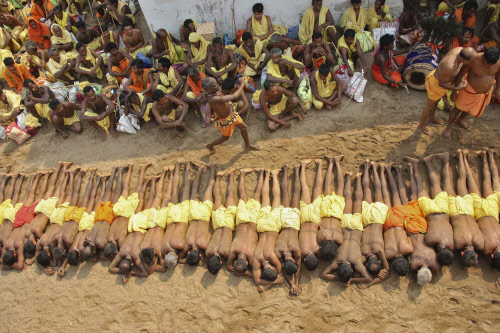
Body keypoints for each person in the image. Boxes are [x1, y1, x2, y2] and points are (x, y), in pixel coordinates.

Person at [321, 172, 386, 287]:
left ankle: (358, 177)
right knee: (349, 199)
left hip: (356, 227)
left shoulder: (357, 263)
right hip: (345, 225)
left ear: (351, 271)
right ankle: (348, 177)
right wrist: (342, 278)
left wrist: (350, 280)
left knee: (357, 200)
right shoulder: (338, 260)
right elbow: (324, 274)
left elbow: (367, 278)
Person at [443, 47, 500, 139]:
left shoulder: (497, 62)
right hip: (468, 90)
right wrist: (455, 90)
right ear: (483, 57)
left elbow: (498, 74)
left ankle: (460, 120)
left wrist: (497, 88)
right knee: (457, 109)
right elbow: (460, 74)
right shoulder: (474, 60)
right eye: (487, 62)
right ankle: (449, 128)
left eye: (491, 64)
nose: (489, 65)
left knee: (471, 109)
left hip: (482, 94)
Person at [410, 154, 455, 266]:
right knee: (420, 186)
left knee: (434, 183)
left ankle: (428, 162)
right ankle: (415, 165)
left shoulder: (452, 243)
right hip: (429, 210)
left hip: (443, 210)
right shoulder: (431, 241)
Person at [418, 47, 475, 135]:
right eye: (470, 61)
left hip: (442, 81)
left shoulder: (460, 50)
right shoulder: (449, 65)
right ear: (463, 59)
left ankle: (431, 117)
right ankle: (421, 125)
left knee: (435, 102)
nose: (471, 63)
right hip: (437, 84)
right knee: (429, 105)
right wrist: (457, 89)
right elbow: (441, 83)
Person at [108, 170, 152, 283]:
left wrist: (130, 272)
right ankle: (130, 169)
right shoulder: (122, 250)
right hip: (121, 214)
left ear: (132, 263)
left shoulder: (136, 257)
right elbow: (111, 268)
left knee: (142, 199)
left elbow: (145, 273)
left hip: (137, 226)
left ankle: (147, 182)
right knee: (125, 189)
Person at [447, 150, 486, 267]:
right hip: (456, 212)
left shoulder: (480, 243)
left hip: (469, 211)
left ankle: (461, 156)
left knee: (462, 182)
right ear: (462, 253)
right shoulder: (458, 244)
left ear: (476, 254)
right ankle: (454, 159)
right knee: (448, 183)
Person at [202, 76, 260, 154]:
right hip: (225, 119)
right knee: (225, 138)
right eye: (215, 85)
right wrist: (242, 84)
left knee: (244, 128)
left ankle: (248, 145)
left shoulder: (213, 91)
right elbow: (234, 96)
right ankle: (210, 145)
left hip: (231, 113)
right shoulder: (213, 99)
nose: (218, 86)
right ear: (209, 89)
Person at [405, 160, 440, 286]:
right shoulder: (415, 264)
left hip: (421, 226)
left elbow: (436, 269)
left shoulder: (433, 262)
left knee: (414, 197)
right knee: (408, 199)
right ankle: (410, 170)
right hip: (412, 228)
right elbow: (411, 270)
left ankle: (411, 170)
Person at [249, 169, 285, 292]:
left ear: (273, 269)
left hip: (272, 227)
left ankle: (274, 175)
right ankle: (266, 175)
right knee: (265, 198)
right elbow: (258, 280)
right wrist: (265, 286)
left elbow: (280, 277)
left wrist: (269, 284)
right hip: (262, 227)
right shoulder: (256, 260)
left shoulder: (272, 257)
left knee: (276, 198)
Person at [30, 170, 72, 274]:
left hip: (58, 220)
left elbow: (57, 259)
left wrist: (45, 269)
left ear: (49, 255)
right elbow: (36, 257)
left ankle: (69, 175)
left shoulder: (52, 244)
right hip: (53, 219)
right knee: (60, 193)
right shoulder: (40, 242)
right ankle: (66, 174)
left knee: (66, 195)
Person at [227, 168, 263, 276]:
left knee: (257, 194)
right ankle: (242, 174)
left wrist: (244, 273)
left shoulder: (250, 255)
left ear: (247, 262)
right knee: (242, 195)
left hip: (252, 220)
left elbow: (256, 274)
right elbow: (229, 266)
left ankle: (261, 174)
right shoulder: (234, 251)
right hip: (241, 220)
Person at [103, 164, 141, 260]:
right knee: (125, 188)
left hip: (126, 213)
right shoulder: (109, 238)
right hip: (118, 211)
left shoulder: (120, 241)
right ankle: (125, 170)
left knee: (138, 190)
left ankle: (142, 171)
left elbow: (122, 251)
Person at [180, 163, 215, 267]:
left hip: (203, 217)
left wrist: (200, 260)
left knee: (209, 189)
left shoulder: (204, 244)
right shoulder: (187, 244)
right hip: (193, 215)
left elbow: (209, 236)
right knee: (195, 190)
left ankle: (212, 169)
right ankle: (200, 170)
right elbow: (179, 259)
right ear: (188, 253)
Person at [51, 169, 88, 266]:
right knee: (73, 194)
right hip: (67, 217)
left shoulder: (68, 241)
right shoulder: (54, 238)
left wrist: (61, 266)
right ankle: (77, 175)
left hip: (76, 219)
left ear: (63, 250)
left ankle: (86, 178)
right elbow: (52, 247)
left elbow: (71, 251)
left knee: (86, 197)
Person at [159, 161, 192, 269]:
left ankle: (187, 167)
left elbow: (186, 252)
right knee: (174, 190)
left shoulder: (180, 246)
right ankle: (177, 166)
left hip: (181, 219)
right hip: (171, 218)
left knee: (186, 189)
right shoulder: (163, 248)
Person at [360, 161, 390, 281]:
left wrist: (375, 278)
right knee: (367, 190)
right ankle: (367, 167)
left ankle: (372, 167)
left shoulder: (379, 252)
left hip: (377, 219)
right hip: (367, 220)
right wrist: (370, 281)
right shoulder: (363, 252)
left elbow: (386, 269)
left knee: (377, 191)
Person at [274, 165, 302, 295]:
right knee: (286, 193)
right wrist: (293, 283)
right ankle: (288, 171)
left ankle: (292, 170)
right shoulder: (278, 251)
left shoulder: (295, 251)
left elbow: (297, 267)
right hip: (285, 222)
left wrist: (294, 283)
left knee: (294, 193)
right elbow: (285, 269)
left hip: (293, 223)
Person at [382, 163, 413, 277]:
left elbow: (409, 238)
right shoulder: (388, 254)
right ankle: (383, 173)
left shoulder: (408, 249)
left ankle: (393, 171)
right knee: (385, 195)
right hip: (388, 224)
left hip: (399, 222)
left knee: (395, 193)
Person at [82, 168, 120, 261]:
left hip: (108, 218)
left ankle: (118, 174)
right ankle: (113, 172)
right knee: (107, 193)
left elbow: (107, 248)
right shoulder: (87, 239)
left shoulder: (101, 244)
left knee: (116, 194)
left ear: (94, 251)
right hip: (99, 216)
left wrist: (96, 256)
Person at [139, 166, 171, 274]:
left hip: (159, 224)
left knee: (166, 196)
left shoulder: (158, 249)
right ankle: (162, 175)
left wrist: (158, 256)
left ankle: (169, 175)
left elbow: (161, 268)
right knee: (158, 197)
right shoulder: (142, 249)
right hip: (151, 222)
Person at [205, 169, 236, 275]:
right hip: (218, 223)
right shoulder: (208, 252)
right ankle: (218, 178)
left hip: (227, 224)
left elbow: (229, 265)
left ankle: (231, 174)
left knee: (230, 195)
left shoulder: (226, 253)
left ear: (221, 262)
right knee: (217, 197)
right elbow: (209, 236)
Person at [28, 163, 65, 241]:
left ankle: (65, 168)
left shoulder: (38, 232)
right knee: (50, 188)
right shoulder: (27, 232)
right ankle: (56, 168)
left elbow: (44, 239)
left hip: (47, 211)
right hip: (40, 209)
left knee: (58, 187)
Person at [318, 156, 345, 262]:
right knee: (328, 187)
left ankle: (335, 163)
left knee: (339, 187)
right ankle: (331, 163)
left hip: (336, 214)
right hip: (325, 213)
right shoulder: (320, 239)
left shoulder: (339, 240)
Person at [298, 159, 322, 274]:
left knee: (317, 188)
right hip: (304, 218)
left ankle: (319, 164)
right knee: (305, 188)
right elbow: (298, 265)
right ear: (303, 259)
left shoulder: (318, 250)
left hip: (314, 220)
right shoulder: (302, 251)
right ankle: (302, 166)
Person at [479, 150, 500, 269]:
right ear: (492, 257)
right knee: (486, 182)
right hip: (486, 212)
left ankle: (490, 155)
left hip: (493, 211)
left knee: (495, 179)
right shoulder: (487, 248)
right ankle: (484, 157)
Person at [0, 173, 23, 255]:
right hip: (5, 216)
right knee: (2, 195)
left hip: (10, 218)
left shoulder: (5, 241)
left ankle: (20, 179)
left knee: (15, 196)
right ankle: (8, 178)